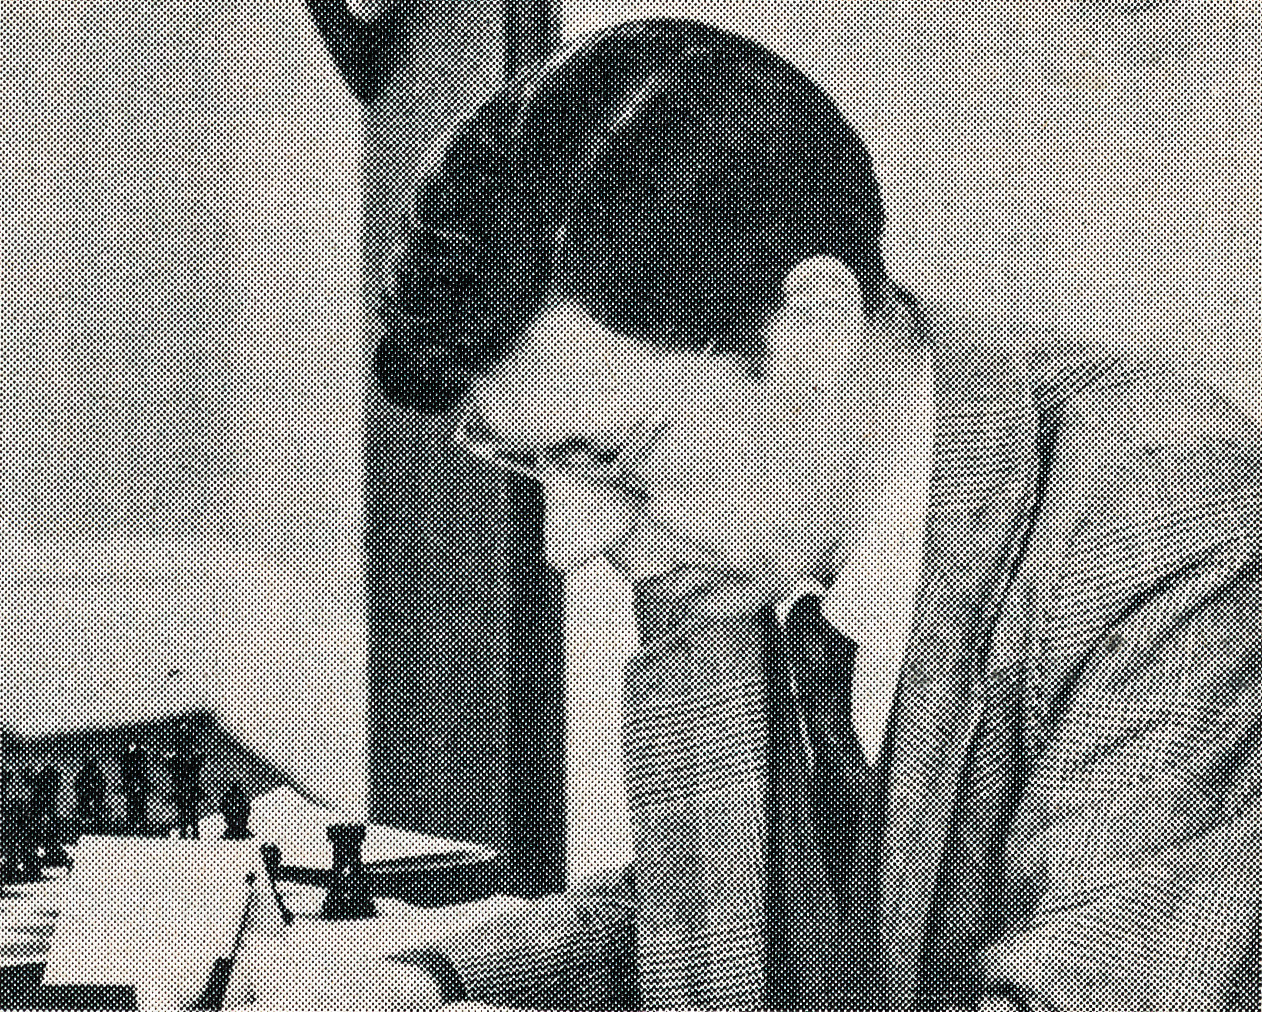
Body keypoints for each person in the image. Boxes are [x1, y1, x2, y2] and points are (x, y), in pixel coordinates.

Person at [368, 18, 1262, 1011]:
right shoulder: (716, 531)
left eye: (606, 457)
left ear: (810, 329)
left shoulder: (1163, 520)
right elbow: (710, 916)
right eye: (533, 465)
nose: (570, 541)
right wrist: (420, 983)